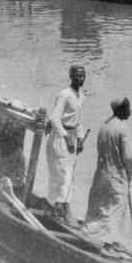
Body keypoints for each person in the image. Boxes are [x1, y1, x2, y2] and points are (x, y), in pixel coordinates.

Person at [83, 98, 132, 244]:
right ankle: (108, 245)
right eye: (128, 107)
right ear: (121, 109)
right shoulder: (123, 128)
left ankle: (90, 240)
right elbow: (128, 156)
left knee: (98, 211)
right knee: (115, 212)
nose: (130, 111)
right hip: (116, 178)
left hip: (100, 175)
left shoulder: (104, 126)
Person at [45, 64, 86, 223]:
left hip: (72, 137)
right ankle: (60, 209)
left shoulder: (81, 96)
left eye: (82, 76)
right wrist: (67, 138)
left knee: (69, 175)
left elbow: (79, 121)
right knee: (62, 174)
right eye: (77, 76)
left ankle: (62, 208)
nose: (80, 79)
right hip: (59, 138)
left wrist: (80, 139)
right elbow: (55, 119)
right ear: (71, 76)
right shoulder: (64, 95)